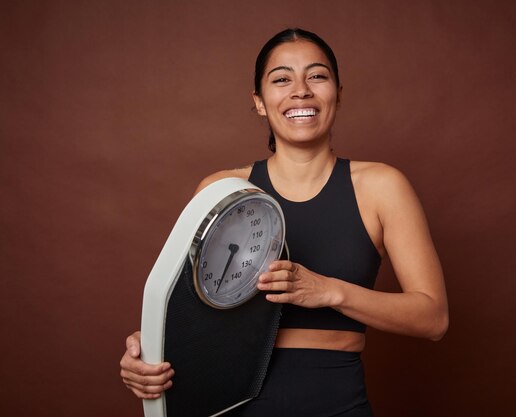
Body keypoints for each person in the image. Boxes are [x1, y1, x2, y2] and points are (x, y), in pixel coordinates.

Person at [120, 28, 448, 416]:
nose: (301, 91)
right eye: (281, 79)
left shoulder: (382, 187)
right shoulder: (221, 189)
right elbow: (184, 311)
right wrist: (145, 356)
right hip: (225, 404)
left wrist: (329, 291)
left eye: (317, 76)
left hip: (337, 403)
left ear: (338, 94)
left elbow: (433, 318)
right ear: (259, 102)